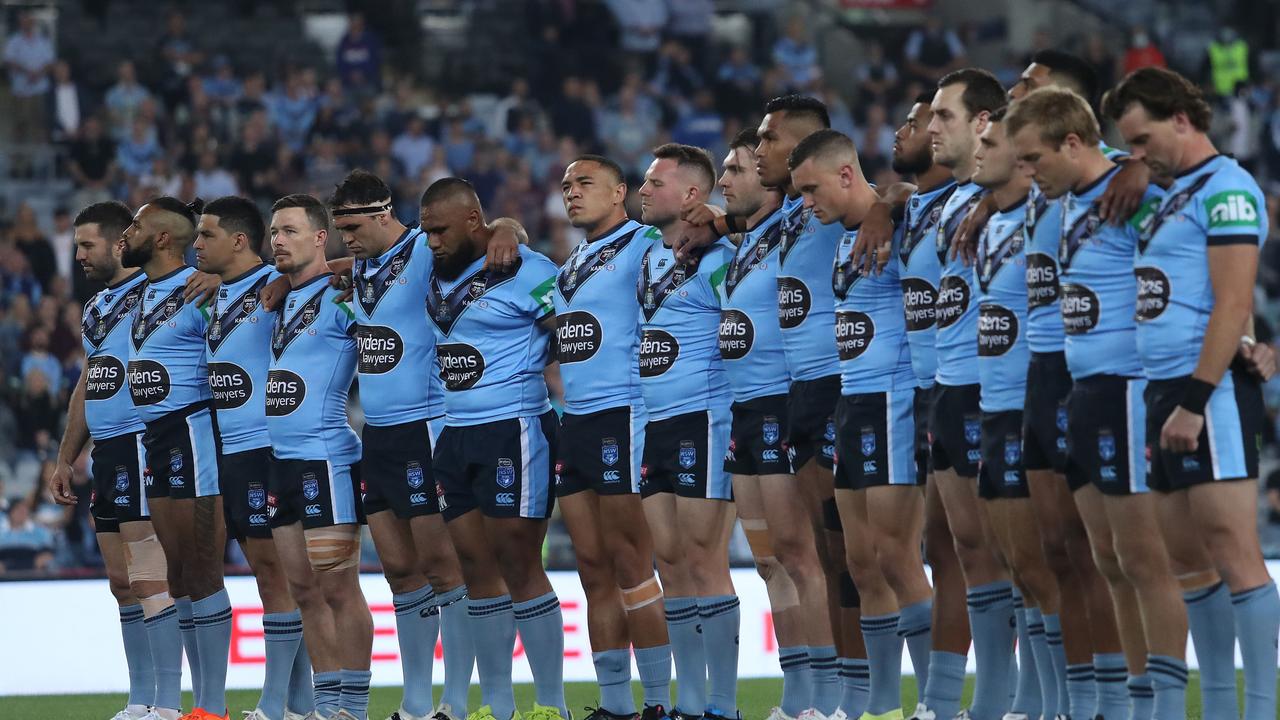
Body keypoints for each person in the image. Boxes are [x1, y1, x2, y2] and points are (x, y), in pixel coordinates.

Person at [1104, 67, 1280, 720]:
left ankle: (1260, 711)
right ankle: (1220, 711)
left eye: (1143, 140)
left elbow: (1233, 300)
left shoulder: (1229, 188)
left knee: (1233, 551)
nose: (1137, 155)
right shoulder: (1168, 194)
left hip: (1209, 393)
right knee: (1186, 561)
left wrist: (1197, 399)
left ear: (1182, 119)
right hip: (1159, 388)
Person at [1007, 85, 1186, 720]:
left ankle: (1165, 704)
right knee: (1108, 559)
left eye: (1032, 159)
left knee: (1143, 559)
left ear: (1074, 143)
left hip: (1129, 389)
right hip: (1080, 389)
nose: (1026, 174)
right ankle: (1132, 703)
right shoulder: (1063, 200)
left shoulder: (1135, 196)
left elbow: (1191, 267)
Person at [329, 170, 491, 720]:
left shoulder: (425, 248)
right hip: (378, 432)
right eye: (338, 228)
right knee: (399, 569)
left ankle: (454, 702)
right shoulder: (360, 267)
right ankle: (416, 702)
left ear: (382, 215)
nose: (345, 237)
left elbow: (486, 234)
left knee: (444, 567)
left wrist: (510, 227)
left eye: (353, 226)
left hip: (427, 426)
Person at [1004, 50, 1132, 720]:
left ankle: (1115, 696)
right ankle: (1077, 701)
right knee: (1057, 549)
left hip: (1091, 370)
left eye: (1028, 87)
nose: (1013, 93)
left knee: (1099, 549)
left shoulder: (1119, 177)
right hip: (1043, 366)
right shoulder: (1036, 179)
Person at [789, 128, 933, 720]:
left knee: (899, 557)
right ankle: (878, 706)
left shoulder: (897, 220)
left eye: (811, 188)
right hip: (853, 403)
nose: (805, 203)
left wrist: (889, 203)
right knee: (860, 559)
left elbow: (908, 193)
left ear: (846, 174)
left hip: (894, 399)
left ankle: (934, 698)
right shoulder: (847, 233)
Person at [421, 178, 566, 720]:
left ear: (473, 221)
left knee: (518, 559)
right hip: (453, 434)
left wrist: (511, 231)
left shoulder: (530, 270)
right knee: (476, 567)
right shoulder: (430, 265)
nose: (431, 240)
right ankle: (498, 706)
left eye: (440, 230)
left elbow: (567, 334)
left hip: (515, 428)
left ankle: (551, 704)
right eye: (426, 230)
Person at [714, 130, 836, 720]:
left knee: (799, 551)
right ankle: (798, 694)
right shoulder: (750, 238)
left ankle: (829, 694)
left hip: (784, 401)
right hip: (744, 408)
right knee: (769, 562)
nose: (726, 180)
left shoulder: (798, 220)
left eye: (736, 168)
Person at [554, 154, 673, 720]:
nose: (571, 193)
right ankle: (614, 705)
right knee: (592, 566)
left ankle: (657, 702)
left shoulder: (645, 244)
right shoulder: (569, 264)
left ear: (621, 191)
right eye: (565, 185)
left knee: (631, 563)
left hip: (622, 414)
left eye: (585, 183)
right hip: (573, 419)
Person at [47, 201, 176, 720]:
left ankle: (167, 701)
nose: (78, 255)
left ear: (119, 242)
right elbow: (88, 381)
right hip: (107, 451)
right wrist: (65, 457)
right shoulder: (98, 305)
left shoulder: (157, 292)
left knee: (150, 579)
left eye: (87, 245)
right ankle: (140, 700)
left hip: (145, 442)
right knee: (121, 582)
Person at [193, 196, 315, 720]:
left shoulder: (276, 287)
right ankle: (303, 705)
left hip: (269, 447)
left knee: (276, 576)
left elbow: (330, 272)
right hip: (231, 449)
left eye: (206, 236)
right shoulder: (214, 295)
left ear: (238, 241)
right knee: (279, 576)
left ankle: (271, 704)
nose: (196, 246)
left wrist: (286, 280)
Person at [634, 144, 737, 720]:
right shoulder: (649, 255)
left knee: (704, 560)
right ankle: (690, 702)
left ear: (693, 195)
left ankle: (723, 705)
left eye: (655, 183)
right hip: (656, 422)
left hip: (704, 416)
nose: (642, 190)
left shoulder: (722, 255)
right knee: (669, 563)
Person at [924, 68, 1014, 720]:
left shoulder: (1018, 192)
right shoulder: (954, 199)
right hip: (950, 386)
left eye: (943, 116)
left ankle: (1047, 701)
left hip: (1002, 387)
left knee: (1033, 555)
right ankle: (989, 704)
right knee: (968, 550)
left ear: (985, 121)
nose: (932, 128)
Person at [967, 108, 1060, 720]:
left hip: (1037, 400)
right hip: (991, 404)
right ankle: (1035, 702)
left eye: (990, 143)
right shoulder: (993, 219)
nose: (979, 152)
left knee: (1058, 564)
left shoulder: (1050, 215)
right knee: (1020, 566)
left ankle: (1068, 702)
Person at [264, 194, 373, 720]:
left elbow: (387, 334)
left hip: (325, 458)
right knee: (303, 590)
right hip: (278, 460)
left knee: (338, 589)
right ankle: (326, 706)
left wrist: (348, 269)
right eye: (273, 231)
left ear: (319, 238)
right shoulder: (278, 295)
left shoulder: (344, 293)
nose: (277, 240)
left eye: (288, 230)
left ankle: (352, 707)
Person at [122, 197, 230, 720]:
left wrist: (223, 281)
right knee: (179, 574)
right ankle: (189, 705)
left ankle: (213, 705)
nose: (129, 232)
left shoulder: (198, 290)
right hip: (156, 438)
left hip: (192, 430)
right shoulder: (145, 294)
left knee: (203, 568)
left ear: (163, 238)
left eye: (137, 224)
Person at [889, 94, 970, 720]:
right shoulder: (910, 207)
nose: (912, 129)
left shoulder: (979, 201)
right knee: (940, 549)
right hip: (929, 392)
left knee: (992, 549)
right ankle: (940, 703)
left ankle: (1043, 697)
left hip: (977, 385)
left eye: (930, 119)